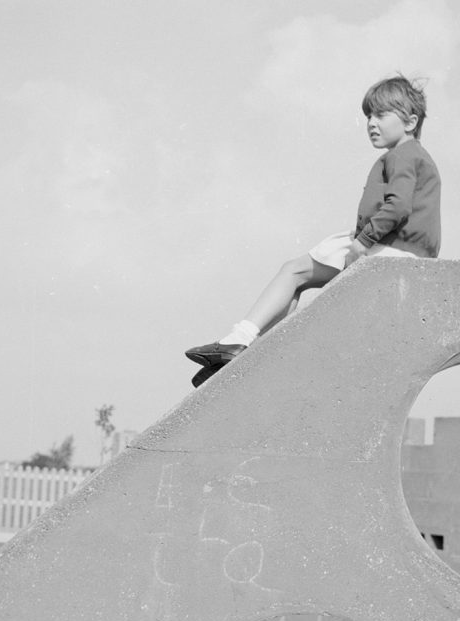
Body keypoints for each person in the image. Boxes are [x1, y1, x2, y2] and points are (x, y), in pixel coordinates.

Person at [185, 74, 441, 387]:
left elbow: (399, 206)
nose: (371, 123)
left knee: (294, 271)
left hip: (389, 249)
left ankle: (241, 341)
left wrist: (362, 241)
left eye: (381, 115)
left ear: (410, 122)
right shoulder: (412, 156)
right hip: (401, 249)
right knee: (299, 280)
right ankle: (246, 351)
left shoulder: (403, 155)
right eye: (368, 116)